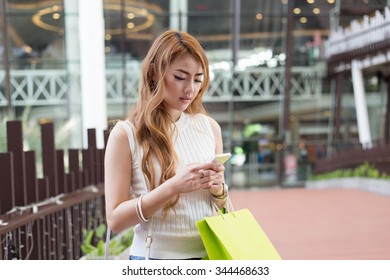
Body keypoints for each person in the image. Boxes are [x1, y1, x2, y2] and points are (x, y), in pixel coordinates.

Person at [104, 29, 229, 260]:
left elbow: (221, 206)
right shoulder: (126, 134)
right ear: (154, 73)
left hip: (209, 256)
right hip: (154, 259)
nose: (190, 88)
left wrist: (218, 188)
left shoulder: (209, 127)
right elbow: (115, 219)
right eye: (180, 77)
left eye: (198, 79)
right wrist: (172, 187)